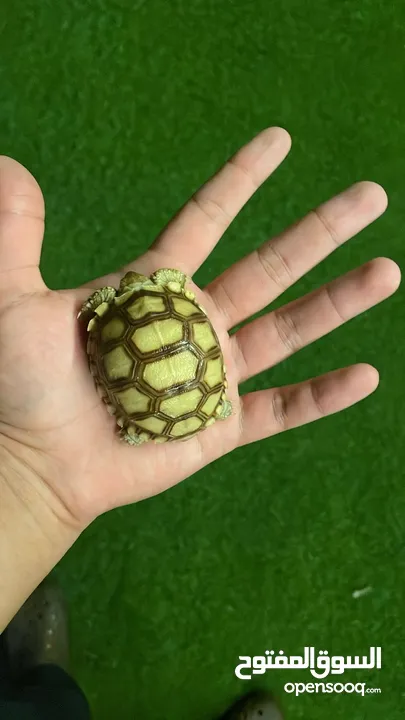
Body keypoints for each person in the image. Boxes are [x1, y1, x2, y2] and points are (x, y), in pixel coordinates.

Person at [0, 127, 400, 718]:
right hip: (187, 396)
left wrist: (22, 487)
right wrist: (25, 480)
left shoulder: (115, 309)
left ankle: (37, 681)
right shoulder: (148, 301)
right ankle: (40, 682)